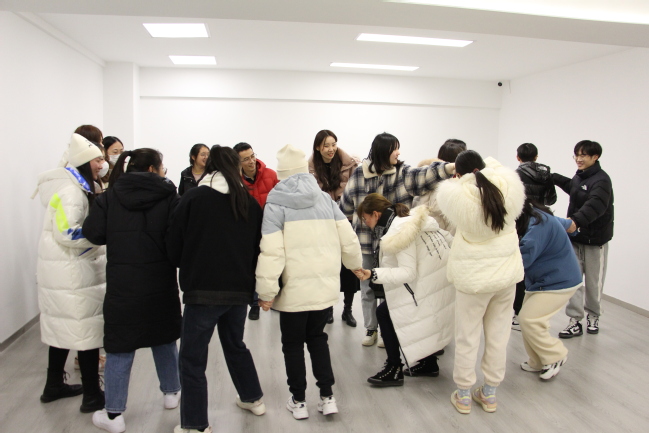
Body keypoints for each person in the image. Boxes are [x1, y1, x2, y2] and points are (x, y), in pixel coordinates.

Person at [255, 144, 362, 420]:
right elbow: (349, 238)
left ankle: (299, 401)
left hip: (293, 292)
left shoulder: (276, 204)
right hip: (323, 289)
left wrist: (266, 292)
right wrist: (355, 266)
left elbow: (272, 253)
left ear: (281, 174)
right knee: (318, 339)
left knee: (292, 345)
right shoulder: (325, 199)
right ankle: (327, 397)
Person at [82, 148, 182, 433]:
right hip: (160, 280)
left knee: (120, 344)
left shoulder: (110, 196)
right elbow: (178, 238)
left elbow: (93, 233)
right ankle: (171, 393)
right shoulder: (169, 196)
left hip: (123, 284)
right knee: (164, 337)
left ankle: (114, 415)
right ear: (152, 169)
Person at [167, 145, 266, 433]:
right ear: (236, 168)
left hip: (202, 291)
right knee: (235, 345)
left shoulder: (194, 197)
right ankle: (253, 398)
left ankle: (195, 425)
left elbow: (174, 240)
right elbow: (258, 249)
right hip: (239, 291)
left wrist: (185, 263)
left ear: (209, 167)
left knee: (192, 358)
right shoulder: (249, 203)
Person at [340, 132, 454, 346]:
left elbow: (426, 175)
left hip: (394, 243)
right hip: (365, 243)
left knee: (391, 287)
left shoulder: (403, 173)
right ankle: (371, 329)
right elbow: (345, 207)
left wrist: (449, 168)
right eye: (395, 148)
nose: (398, 153)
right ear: (383, 151)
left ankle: (387, 331)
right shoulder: (359, 174)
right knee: (366, 286)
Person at [436, 150, 525, 414]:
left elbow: (450, 190)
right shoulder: (508, 187)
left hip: (473, 280)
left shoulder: (457, 197)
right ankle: (489, 393)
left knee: (467, 337)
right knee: (499, 336)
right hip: (505, 277)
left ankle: (464, 395)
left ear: (458, 174)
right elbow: (496, 169)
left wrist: (461, 177)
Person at [34, 132, 107, 413]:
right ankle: (92, 395)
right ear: (85, 162)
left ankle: (53, 385)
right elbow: (68, 233)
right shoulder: (72, 192)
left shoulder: (73, 187)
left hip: (63, 270)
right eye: (98, 159)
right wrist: (101, 238)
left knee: (65, 328)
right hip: (72, 271)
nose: (102, 164)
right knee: (85, 332)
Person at [355, 194, 454, 386]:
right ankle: (428, 363)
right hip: (437, 282)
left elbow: (408, 272)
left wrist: (372, 274)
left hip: (426, 285)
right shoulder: (410, 220)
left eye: (365, 219)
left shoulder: (399, 231)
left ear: (376, 214)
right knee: (401, 313)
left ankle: (394, 368)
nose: (366, 224)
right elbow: (450, 240)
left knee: (384, 313)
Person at [552, 140, 614, 338]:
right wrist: (552, 177)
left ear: (595, 157)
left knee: (594, 283)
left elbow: (595, 205)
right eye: (576, 155)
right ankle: (575, 321)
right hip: (576, 238)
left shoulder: (602, 181)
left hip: (595, 241)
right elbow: (574, 188)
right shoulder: (580, 176)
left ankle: (593, 316)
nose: (578, 159)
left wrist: (575, 221)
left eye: (583, 155)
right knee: (574, 282)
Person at [516, 199, 582, 380]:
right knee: (527, 319)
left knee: (529, 319)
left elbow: (522, 259)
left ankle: (555, 355)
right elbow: (562, 222)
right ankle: (538, 360)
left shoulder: (537, 226)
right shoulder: (536, 214)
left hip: (558, 280)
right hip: (543, 280)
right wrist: (570, 224)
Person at [308, 129, 360, 326]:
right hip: (324, 224)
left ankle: (348, 310)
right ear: (317, 148)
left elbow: (356, 192)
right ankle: (329, 309)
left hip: (346, 220)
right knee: (329, 267)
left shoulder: (350, 165)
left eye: (333, 144)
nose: (331, 149)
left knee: (349, 266)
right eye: (326, 146)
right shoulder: (310, 169)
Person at [512, 142, 558, 331]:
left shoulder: (515, 175)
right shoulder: (546, 174)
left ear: (518, 157)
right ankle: (539, 314)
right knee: (541, 268)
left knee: (522, 267)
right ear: (536, 157)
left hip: (523, 224)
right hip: (543, 222)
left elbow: (513, 201)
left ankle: (519, 314)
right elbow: (552, 199)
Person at [232, 142, 280, 321]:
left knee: (274, 264)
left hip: (271, 229)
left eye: (252, 156)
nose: (251, 161)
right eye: (245, 159)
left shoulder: (271, 175)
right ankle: (254, 303)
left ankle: (274, 299)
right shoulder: (235, 181)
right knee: (253, 266)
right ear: (238, 162)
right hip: (249, 231)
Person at [412, 138, 466, 234]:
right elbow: (454, 226)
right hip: (444, 238)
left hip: (421, 235)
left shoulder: (423, 177)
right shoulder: (455, 187)